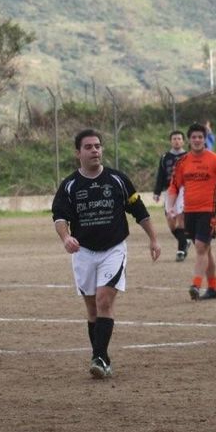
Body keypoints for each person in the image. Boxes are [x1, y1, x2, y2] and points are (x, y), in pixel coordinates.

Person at [52, 129, 161, 379]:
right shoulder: (69, 185)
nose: (95, 151)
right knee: (92, 308)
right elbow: (59, 217)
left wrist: (154, 239)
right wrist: (66, 237)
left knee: (103, 300)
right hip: (83, 252)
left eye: (98, 146)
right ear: (78, 153)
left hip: (113, 250)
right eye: (89, 147)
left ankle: (99, 358)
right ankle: (102, 357)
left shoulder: (117, 180)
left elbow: (139, 210)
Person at [166, 122, 216, 300]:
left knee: (200, 246)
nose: (197, 140)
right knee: (206, 249)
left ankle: (195, 285)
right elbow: (174, 186)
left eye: (200, 137)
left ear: (205, 139)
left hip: (209, 210)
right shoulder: (183, 162)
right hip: (190, 211)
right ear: (189, 140)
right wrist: (170, 207)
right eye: (194, 137)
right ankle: (213, 287)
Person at [153, 130, 190, 262]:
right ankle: (185, 240)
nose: (177, 141)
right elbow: (161, 175)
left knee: (181, 218)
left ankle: (181, 250)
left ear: (183, 141)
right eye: (174, 139)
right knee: (170, 221)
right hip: (169, 191)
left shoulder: (189, 156)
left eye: (179, 139)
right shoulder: (165, 157)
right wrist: (157, 192)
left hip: (184, 190)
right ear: (170, 141)